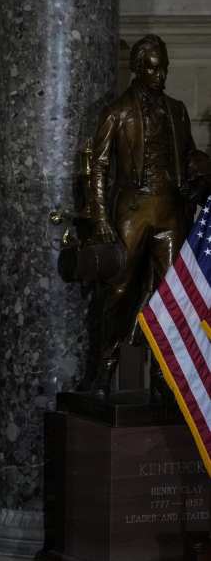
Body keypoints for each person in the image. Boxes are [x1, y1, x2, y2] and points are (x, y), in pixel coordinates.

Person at [87, 34, 207, 396]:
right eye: (154, 68)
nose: (161, 75)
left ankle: (163, 374)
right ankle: (104, 365)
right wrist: (102, 220)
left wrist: (200, 174)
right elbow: (99, 166)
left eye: (165, 67)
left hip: (170, 210)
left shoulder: (177, 109)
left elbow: (187, 154)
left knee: (169, 293)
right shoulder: (118, 111)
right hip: (133, 210)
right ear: (138, 69)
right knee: (120, 289)